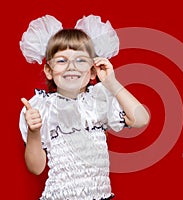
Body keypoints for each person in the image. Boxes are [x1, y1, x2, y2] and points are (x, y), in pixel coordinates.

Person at [19, 14, 150, 200]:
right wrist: (34, 131)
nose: (71, 66)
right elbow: (36, 168)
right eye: (62, 60)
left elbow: (141, 119)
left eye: (80, 60)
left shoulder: (99, 99)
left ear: (92, 71)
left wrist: (112, 83)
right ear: (49, 71)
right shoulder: (41, 107)